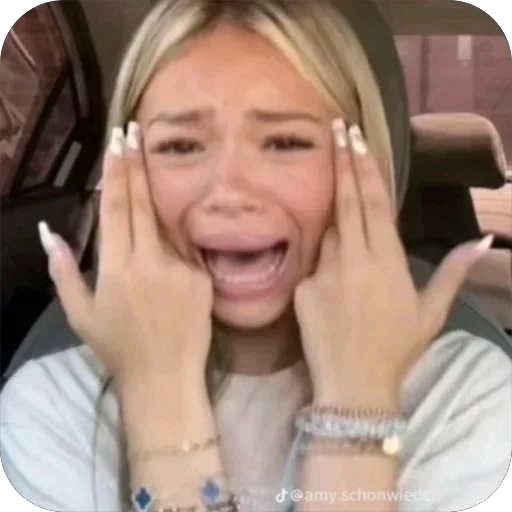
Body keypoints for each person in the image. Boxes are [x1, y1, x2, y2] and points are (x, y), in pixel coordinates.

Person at [1, 1, 510, 511]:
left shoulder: (469, 396)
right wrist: (159, 394)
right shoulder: (51, 403)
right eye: (180, 146)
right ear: (125, 173)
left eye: (286, 142)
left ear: (368, 163)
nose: (229, 191)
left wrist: (359, 405)